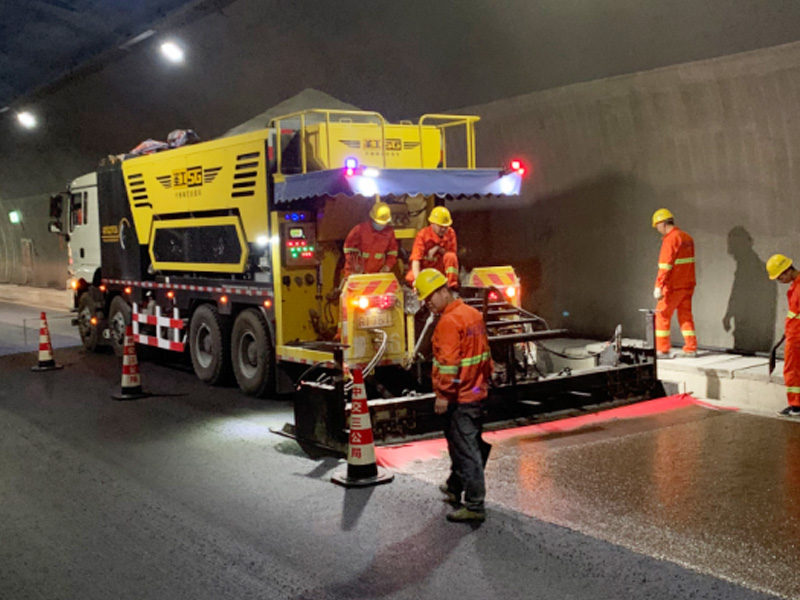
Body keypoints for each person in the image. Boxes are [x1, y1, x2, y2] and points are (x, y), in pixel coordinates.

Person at [414, 268, 492, 523]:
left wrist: (443, 394)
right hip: (477, 391)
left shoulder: (449, 322)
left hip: (461, 397)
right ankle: (453, 486)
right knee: (465, 444)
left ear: (443, 291)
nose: (428, 304)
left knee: (466, 450)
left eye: (430, 297)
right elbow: (486, 356)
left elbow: (449, 364)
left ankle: (475, 505)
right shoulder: (473, 315)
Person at [652, 208, 697, 358]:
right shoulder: (687, 238)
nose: (658, 229)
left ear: (662, 223)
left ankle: (662, 349)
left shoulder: (670, 239)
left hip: (673, 286)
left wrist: (658, 286)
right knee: (685, 316)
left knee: (662, 315)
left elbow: (665, 266)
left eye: (657, 226)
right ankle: (691, 348)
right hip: (688, 284)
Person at [766, 254, 800, 417]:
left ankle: (796, 406)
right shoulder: (796, 286)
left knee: (792, 370)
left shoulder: (798, 288)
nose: (780, 281)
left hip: (797, 337)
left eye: (780, 277)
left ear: (787, 270)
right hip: (794, 334)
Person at [406, 206, 459, 289]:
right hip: (425, 269)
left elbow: (452, 256)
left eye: (446, 227)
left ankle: (451, 287)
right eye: (440, 226)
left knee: (451, 256)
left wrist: (438, 248)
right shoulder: (422, 235)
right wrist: (418, 282)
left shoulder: (450, 233)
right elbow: (416, 259)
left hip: (440, 270)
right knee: (411, 276)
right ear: (432, 224)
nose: (443, 229)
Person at [342, 201, 398, 279]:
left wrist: (387, 267)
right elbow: (349, 249)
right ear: (372, 218)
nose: (380, 225)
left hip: (377, 275)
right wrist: (356, 265)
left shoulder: (389, 232)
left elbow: (392, 252)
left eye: (383, 223)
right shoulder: (360, 229)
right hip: (355, 273)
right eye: (378, 222)